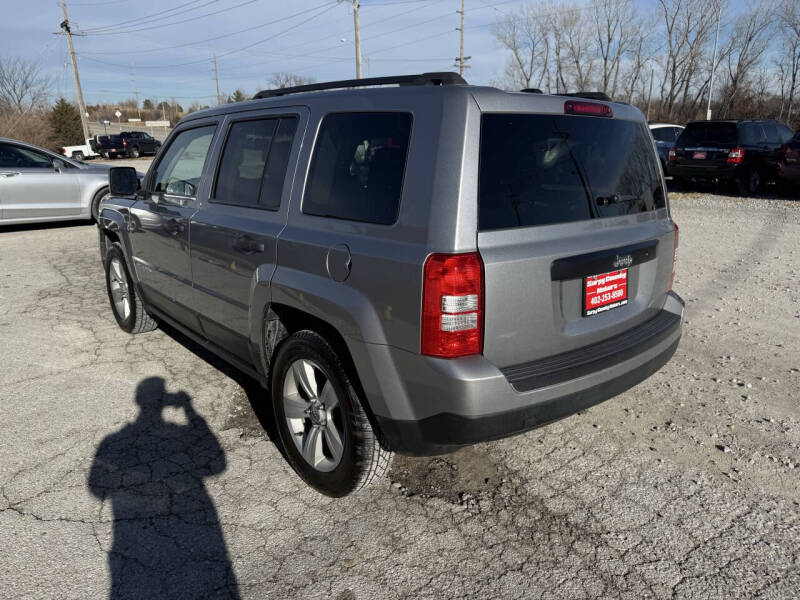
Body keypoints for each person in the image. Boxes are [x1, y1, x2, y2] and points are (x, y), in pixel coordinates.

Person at [88, 377, 240, 599]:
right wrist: (189, 408)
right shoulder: (179, 433)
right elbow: (217, 464)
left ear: (138, 400)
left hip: (130, 547)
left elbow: (96, 489)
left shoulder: (112, 441)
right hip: (195, 536)